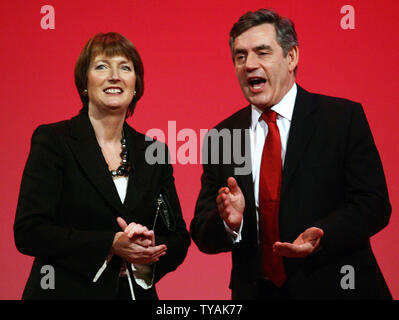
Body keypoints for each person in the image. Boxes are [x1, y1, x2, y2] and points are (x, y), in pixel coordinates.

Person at [190, 9, 392, 300]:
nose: (250, 65)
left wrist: (322, 234)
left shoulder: (341, 118)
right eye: (240, 56)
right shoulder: (221, 137)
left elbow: (373, 204)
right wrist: (230, 223)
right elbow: (201, 233)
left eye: (262, 52)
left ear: (291, 57)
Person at [14, 32, 190, 300]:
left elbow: (178, 238)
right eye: (101, 66)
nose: (114, 76)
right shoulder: (54, 141)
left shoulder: (154, 152)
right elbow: (30, 231)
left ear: (135, 85)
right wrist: (110, 245)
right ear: (84, 83)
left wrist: (146, 251)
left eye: (125, 67)